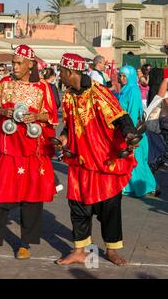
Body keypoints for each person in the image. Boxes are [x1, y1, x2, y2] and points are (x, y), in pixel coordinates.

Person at [0, 45, 58, 261]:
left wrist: (36, 117)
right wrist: (4, 111)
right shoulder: (5, 84)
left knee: (31, 198)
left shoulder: (42, 87)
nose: (14, 66)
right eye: (13, 62)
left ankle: (25, 243)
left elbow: (52, 116)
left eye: (18, 63)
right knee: (0, 197)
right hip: (9, 151)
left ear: (30, 64)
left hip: (33, 151)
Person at [55, 53, 138, 266]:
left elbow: (121, 117)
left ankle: (111, 250)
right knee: (78, 206)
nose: (59, 75)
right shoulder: (68, 96)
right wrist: (63, 139)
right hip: (81, 161)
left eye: (61, 71)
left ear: (71, 71)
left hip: (104, 161)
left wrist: (129, 134)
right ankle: (80, 251)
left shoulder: (99, 92)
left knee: (109, 208)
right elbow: (70, 126)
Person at [118, 66, 158, 197]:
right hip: (126, 128)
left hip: (133, 130)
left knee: (137, 160)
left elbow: (134, 112)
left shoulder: (133, 90)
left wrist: (130, 133)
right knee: (132, 159)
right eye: (121, 75)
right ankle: (134, 186)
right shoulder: (125, 89)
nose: (122, 78)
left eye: (124, 76)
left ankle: (146, 186)